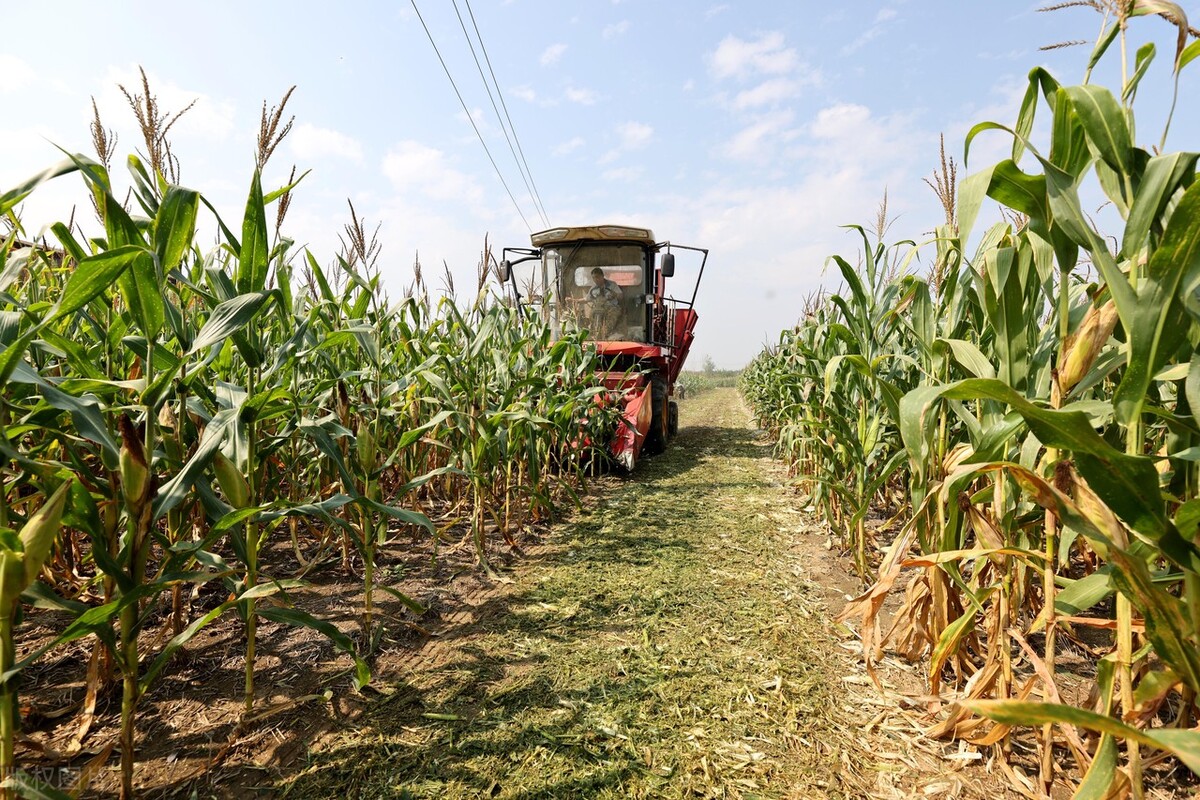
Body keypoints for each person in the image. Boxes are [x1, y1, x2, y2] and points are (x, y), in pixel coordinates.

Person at [585, 267, 622, 336]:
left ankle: (606, 333)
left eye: (597, 277)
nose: (595, 279)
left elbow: (621, 296)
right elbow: (587, 299)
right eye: (593, 278)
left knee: (613, 314)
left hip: (611, 307)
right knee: (592, 314)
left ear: (602, 276)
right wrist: (574, 300)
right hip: (597, 308)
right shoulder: (593, 288)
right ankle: (593, 332)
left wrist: (615, 294)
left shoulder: (612, 285)